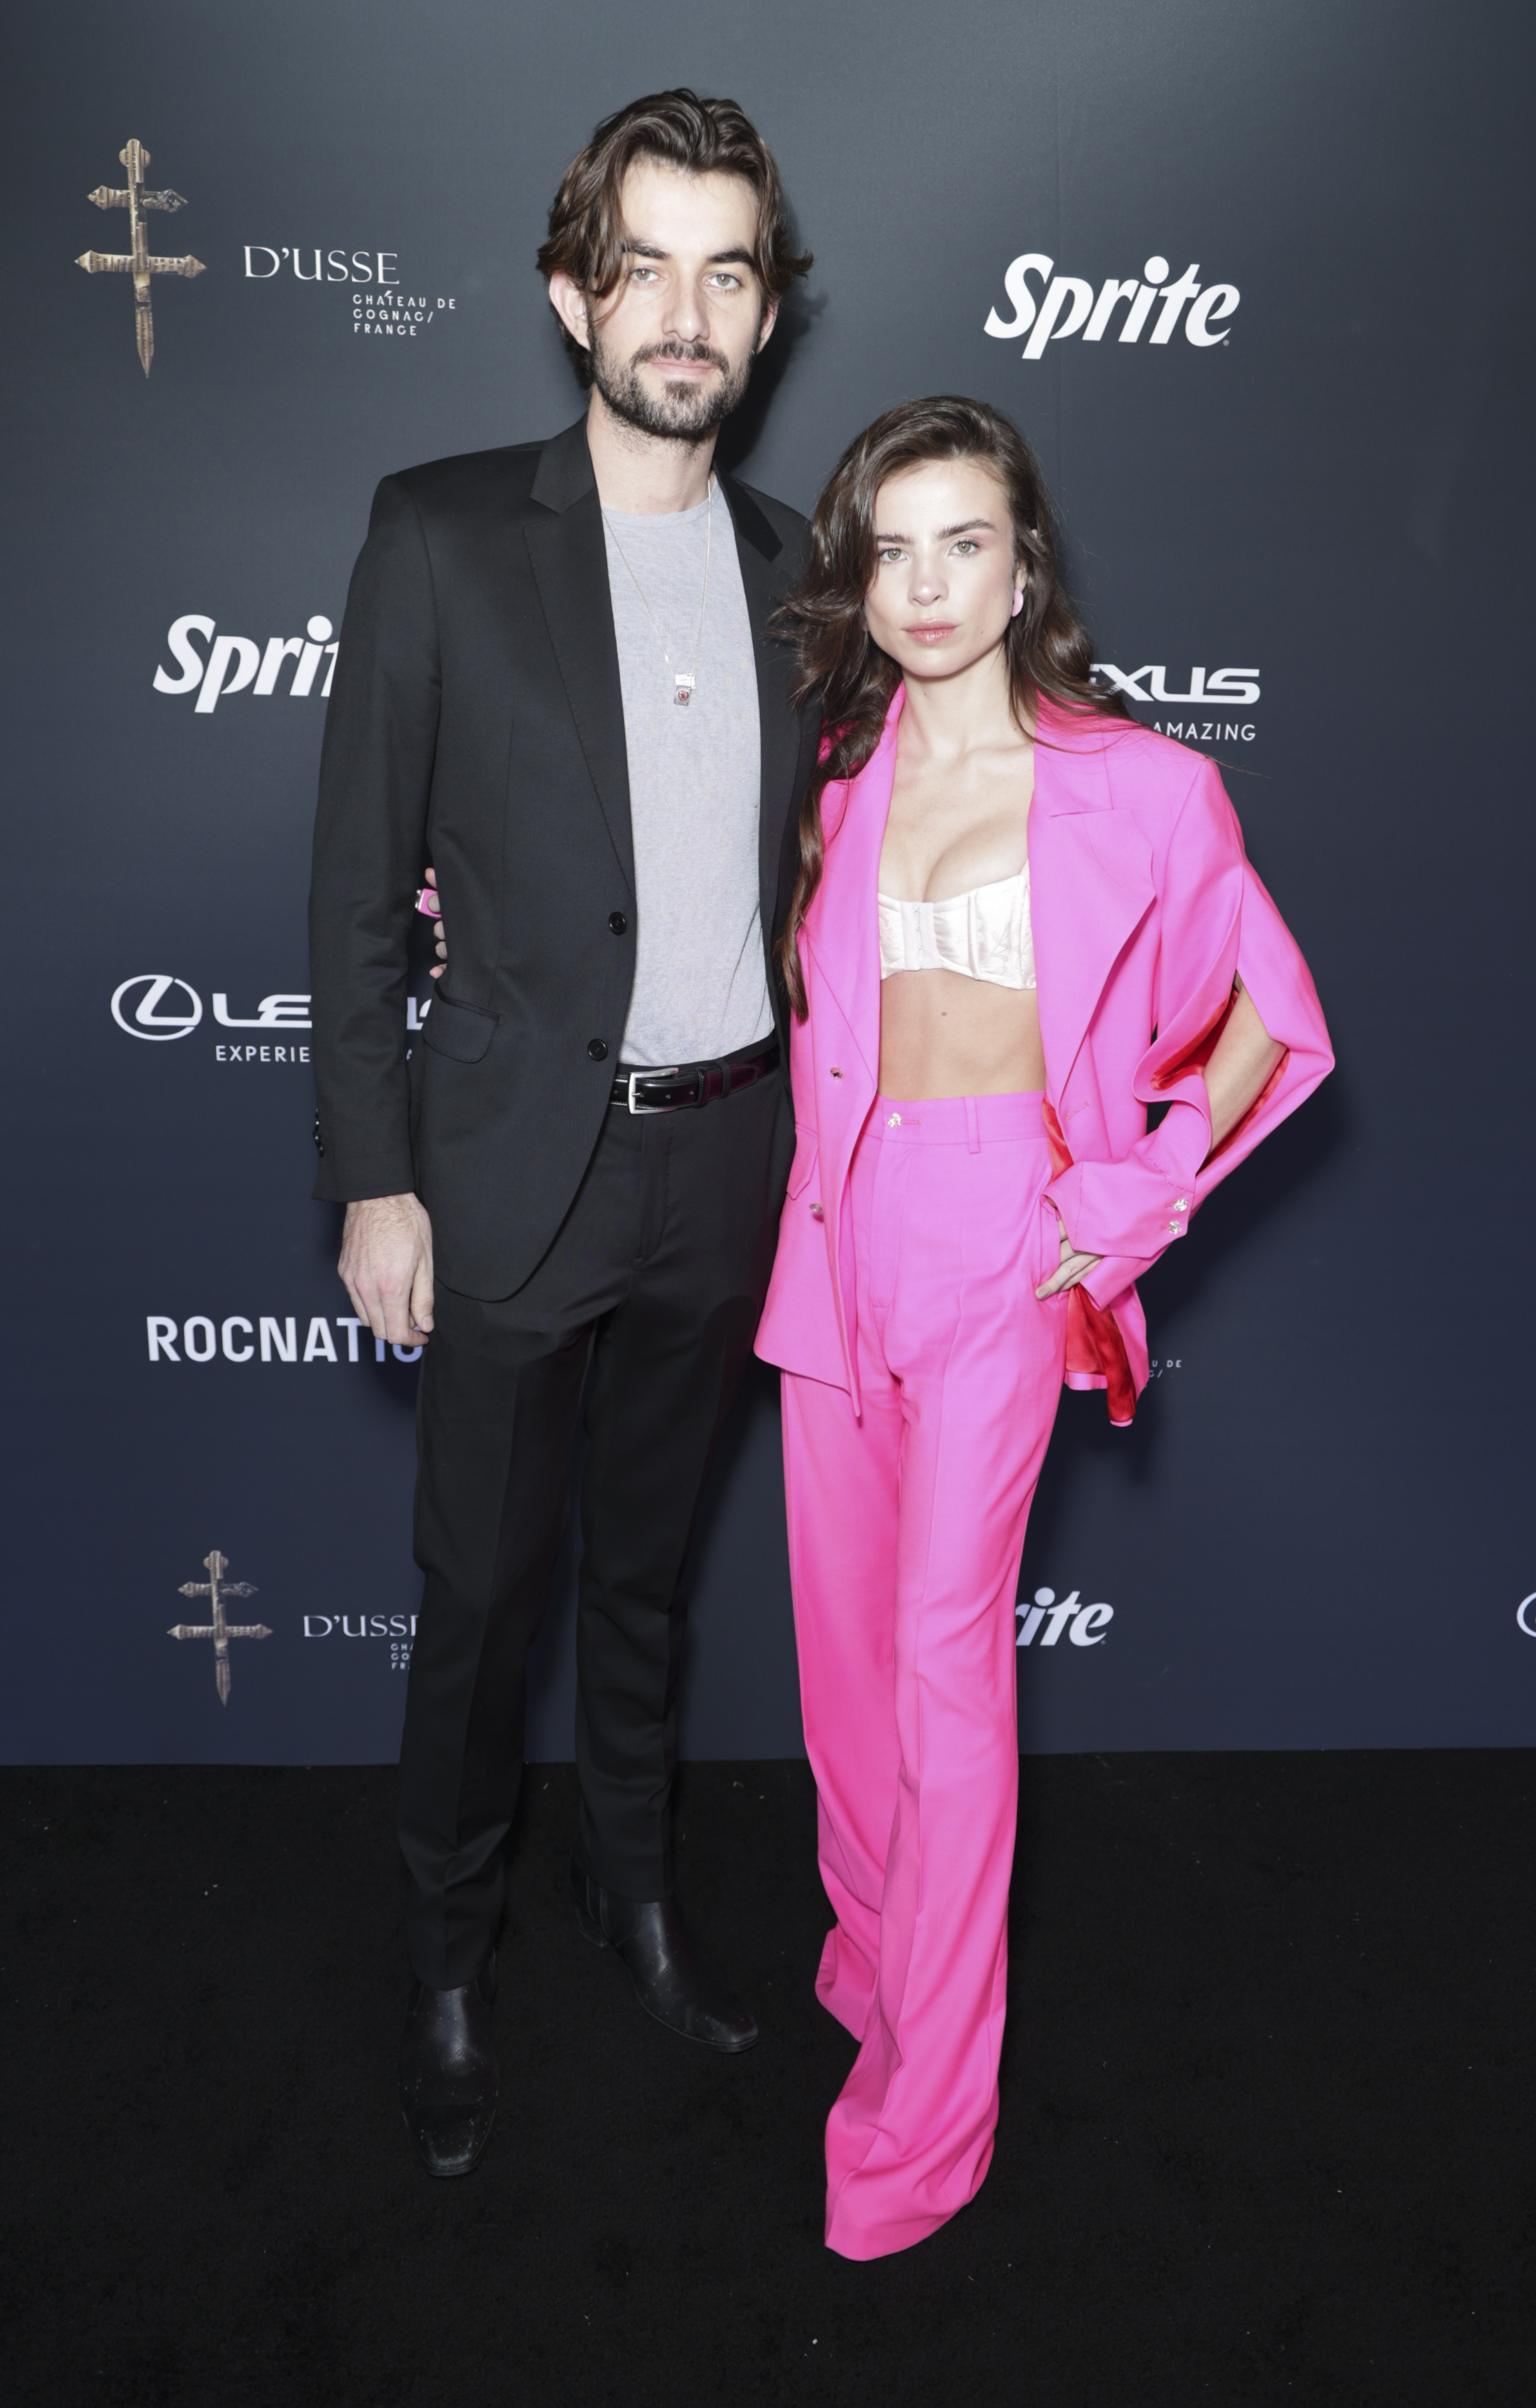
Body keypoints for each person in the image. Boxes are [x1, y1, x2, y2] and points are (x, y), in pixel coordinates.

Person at [752, 396, 1334, 2259]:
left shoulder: (1141, 785)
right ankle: (875, 1955)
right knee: (844, 1679)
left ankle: (923, 2119)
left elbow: (1269, 1019)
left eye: (964, 544)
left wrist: (1119, 1209)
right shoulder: (832, 779)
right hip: (831, 1254)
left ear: (1024, 567)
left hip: (1005, 1251)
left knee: (940, 1668)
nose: (926, 586)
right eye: (892, 549)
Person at [308, 90, 816, 2178]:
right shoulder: (436, 533)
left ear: (769, 317)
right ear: (567, 292)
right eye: (644, 266)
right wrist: (370, 1170)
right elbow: (352, 896)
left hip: (727, 1164)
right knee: (478, 1601)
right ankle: (444, 1952)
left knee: (647, 1590)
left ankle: (635, 1887)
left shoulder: (806, 572)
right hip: (510, 1166)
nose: (683, 314)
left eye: (727, 271)